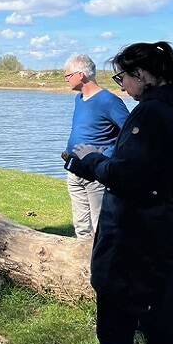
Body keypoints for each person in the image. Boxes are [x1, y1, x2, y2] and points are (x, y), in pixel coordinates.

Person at [63, 42, 173, 344]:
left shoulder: (153, 112)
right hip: (172, 229)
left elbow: (131, 177)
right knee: (159, 329)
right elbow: (158, 170)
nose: (123, 87)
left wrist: (91, 160)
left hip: (136, 241)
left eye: (122, 78)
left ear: (142, 74)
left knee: (115, 331)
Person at [63, 54, 129, 240]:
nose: (66, 79)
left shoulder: (109, 101)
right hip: (74, 170)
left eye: (68, 75)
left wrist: (106, 156)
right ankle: (83, 261)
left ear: (81, 75)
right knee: (81, 225)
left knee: (100, 223)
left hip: (96, 173)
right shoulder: (79, 99)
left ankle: (102, 264)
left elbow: (129, 133)